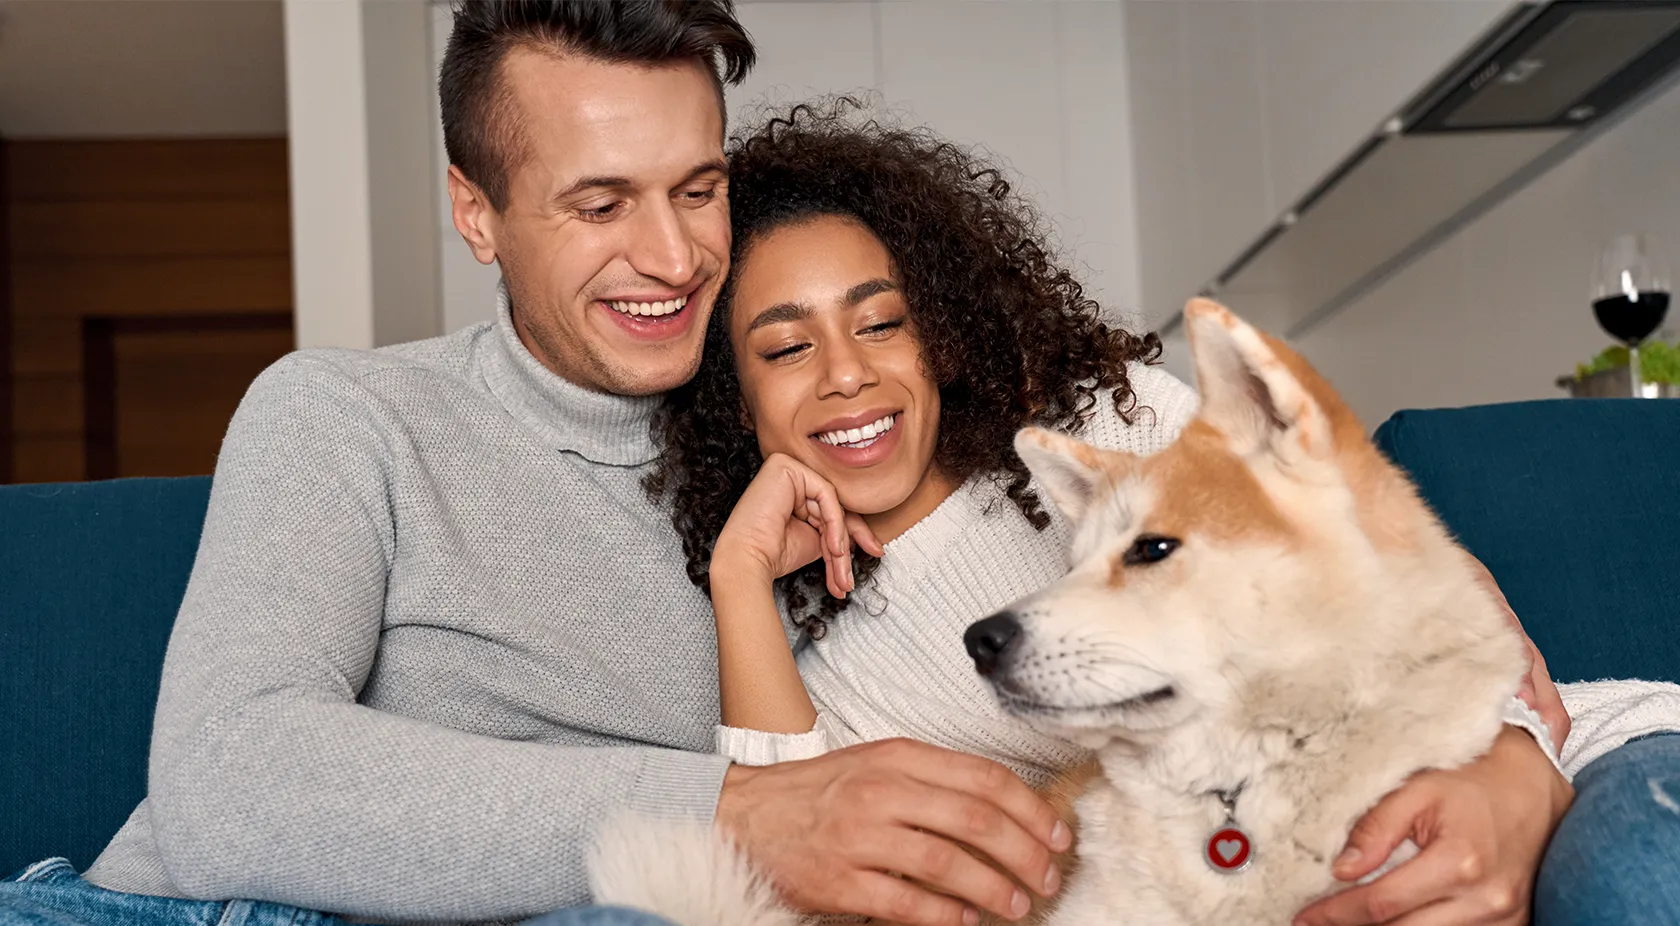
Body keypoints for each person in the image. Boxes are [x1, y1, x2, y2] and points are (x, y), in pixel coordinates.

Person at [0, 6, 1069, 926]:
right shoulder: (344, 413)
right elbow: (225, 775)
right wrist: (731, 810)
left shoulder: (804, 437)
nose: (674, 257)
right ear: (478, 213)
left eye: (698, 190)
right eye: (601, 206)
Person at [648, 100, 1680, 926]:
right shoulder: (820, 666)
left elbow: (1389, 578)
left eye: (882, 323)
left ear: (943, 336)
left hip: (1546, 753)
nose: (845, 374)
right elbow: (801, 865)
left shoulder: (1106, 421)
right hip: (1270, 862)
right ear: (733, 396)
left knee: (1635, 875)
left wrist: (1513, 765)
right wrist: (742, 576)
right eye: (785, 348)